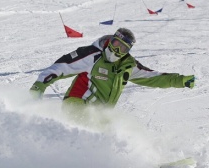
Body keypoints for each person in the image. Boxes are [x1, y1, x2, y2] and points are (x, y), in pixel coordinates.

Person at [29, 28, 195, 108]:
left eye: (123, 48)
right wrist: (39, 87)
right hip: (78, 104)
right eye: (116, 44)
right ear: (111, 40)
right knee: (85, 132)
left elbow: (155, 77)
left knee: (116, 135)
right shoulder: (93, 55)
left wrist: (180, 80)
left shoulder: (127, 66)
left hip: (100, 113)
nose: (117, 50)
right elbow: (60, 67)